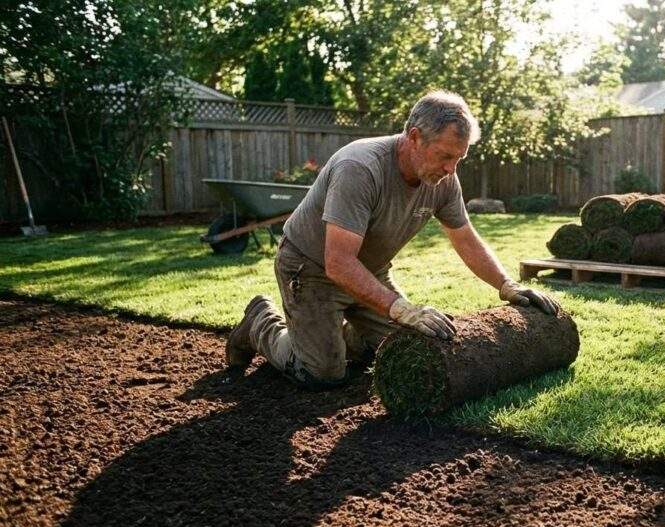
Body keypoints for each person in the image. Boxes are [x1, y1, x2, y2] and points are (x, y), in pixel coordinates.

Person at [225, 90, 560, 388]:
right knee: (322, 373)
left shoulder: (444, 181)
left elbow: (465, 239)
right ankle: (260, 322)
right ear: (414, 137)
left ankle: (332, 333)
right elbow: (338, 262)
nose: (451, 169)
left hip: (369, 271)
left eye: (459, 159)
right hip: (312, 270)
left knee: (406, 348)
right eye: (445, 156)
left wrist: (506, 285)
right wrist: (400, 309)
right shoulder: (360, 168)